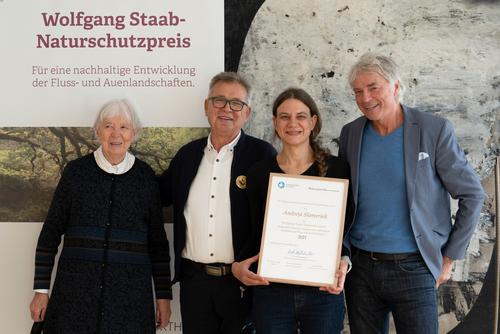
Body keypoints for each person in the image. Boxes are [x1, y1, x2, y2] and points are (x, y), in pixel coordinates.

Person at [339, 52, 484, 333]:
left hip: (415, 267)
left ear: (395, 87)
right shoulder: (351, 134)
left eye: (373, 88)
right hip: (361, 270)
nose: (365, 98)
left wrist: (449, 258)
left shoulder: (434, 130)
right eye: (358, 91)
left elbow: (472, 194)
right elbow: (343, 200)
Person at [29, 99, 172, 333]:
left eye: (124, 127)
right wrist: (41, 291)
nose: (116, 134)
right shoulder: (76, 172)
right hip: (75, 296)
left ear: (133, 133)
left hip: (130, 300)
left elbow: (157, 243)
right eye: (108, 126)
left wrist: (163, 297)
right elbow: (51, 232)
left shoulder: (145, 178)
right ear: (97, 131)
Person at [158, 72, 276, 334]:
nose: (226, 109)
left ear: (247, 112)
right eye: (219, 100)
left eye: (236, 103)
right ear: (206, 106)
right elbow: (155, 195)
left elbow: (277, 218)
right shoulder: (188, 155)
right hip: (194, 284)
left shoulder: (262, 155)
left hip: (242, 285)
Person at [232, 87, 354, 334]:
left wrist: (344, 262)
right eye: (284, 116)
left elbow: (348, 228)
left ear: (313, 122)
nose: (293, 123)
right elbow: (251, 233)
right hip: (271, 292)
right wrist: (238, 266)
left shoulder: (338, 170)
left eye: (300, 116)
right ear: (275, 122)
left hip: (323, 291)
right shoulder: (258, 173)